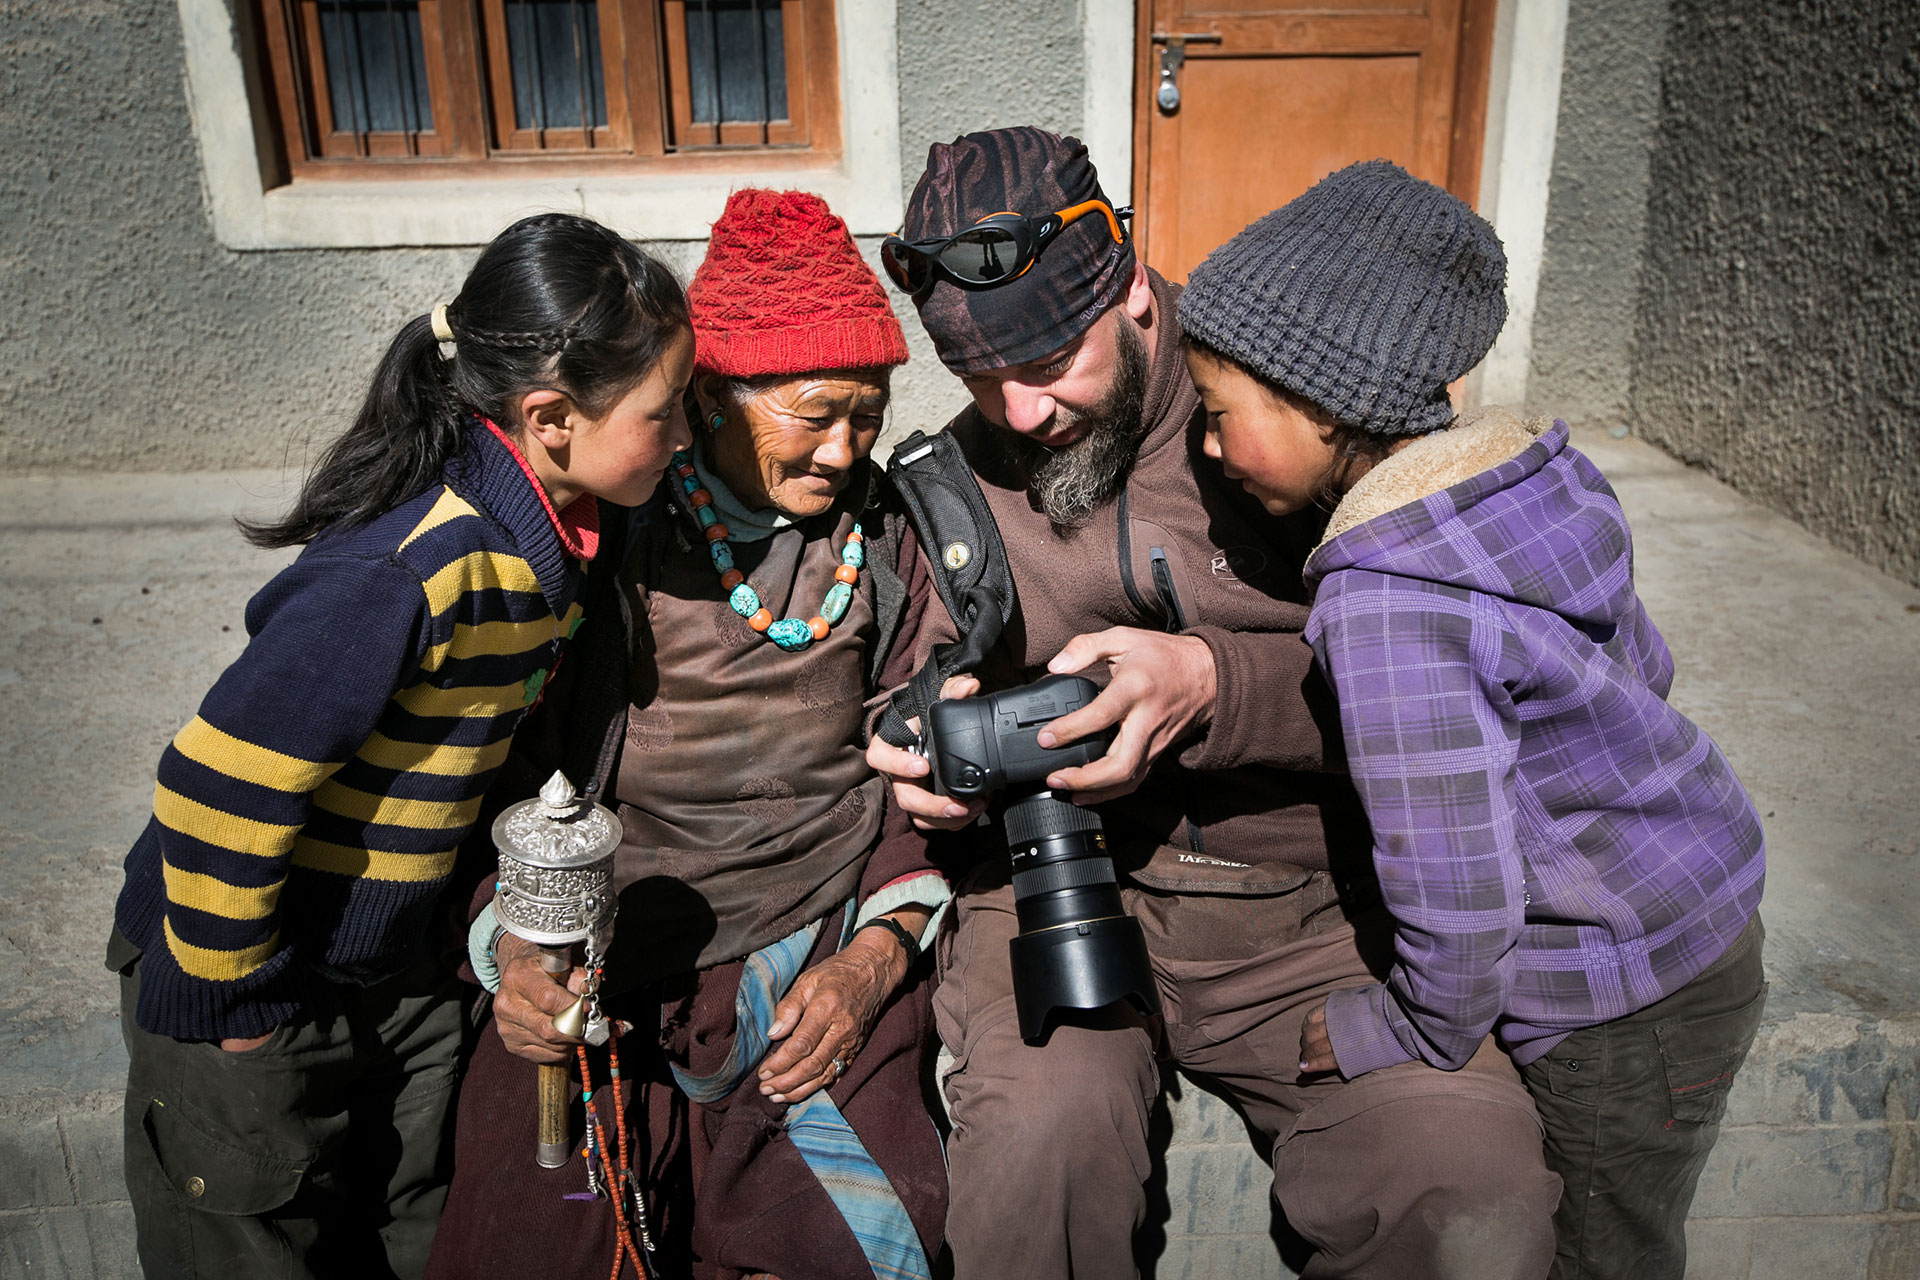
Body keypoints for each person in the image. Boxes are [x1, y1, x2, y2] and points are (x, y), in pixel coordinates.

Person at [868, 126, 1562, 1279]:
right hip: (1061, 889)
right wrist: (920, 735)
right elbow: (911, 663)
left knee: (1465, 1196)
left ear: (1133, 291)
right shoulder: (950, 475)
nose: (1019, 411)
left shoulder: (1293, 411)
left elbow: (1472, 674)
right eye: (980, 378)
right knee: (1036, 1161)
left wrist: (1213, 682)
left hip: (1318, 904)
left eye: (1046, 364)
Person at [1176, 159, 1768, 1280]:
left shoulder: (1386, 599)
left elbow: (1454, 882)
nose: (1207, 447)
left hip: (1619, 1002)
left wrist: (1396, 1030)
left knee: (1602, 1252)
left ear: (1322, 400)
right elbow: (1646, 665)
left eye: (1219, 415)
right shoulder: (1529, 483)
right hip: (1707, 905)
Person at [106, 212, 695, 1278]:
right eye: (665, 412)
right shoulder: (412, 566)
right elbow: (213, 786)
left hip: (387, 979)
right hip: (250, 985)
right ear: (552, 417)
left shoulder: (555, 546)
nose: (687, 434)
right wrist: (240, 1007)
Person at [425, 189, 949, 1280]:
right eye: (816, 412)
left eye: (871, 410)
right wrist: (516, 948)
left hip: (815, 929)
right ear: (709, 396)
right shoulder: (601, 541)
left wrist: (875, 956)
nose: (847, 449)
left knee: (838, 1239)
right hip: (600, 945)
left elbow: (921, 766)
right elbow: (491, 771)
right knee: (546, 1228)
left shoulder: (886, 540)